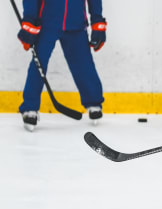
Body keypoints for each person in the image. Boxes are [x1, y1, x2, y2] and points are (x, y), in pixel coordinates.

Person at [17, 0, 107, 132]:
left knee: (83, 64)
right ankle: (30, 107)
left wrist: (97, 21)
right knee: (39, 64)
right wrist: (30, 20)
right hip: (47, 22)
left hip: (76, 23)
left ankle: (93, 102)